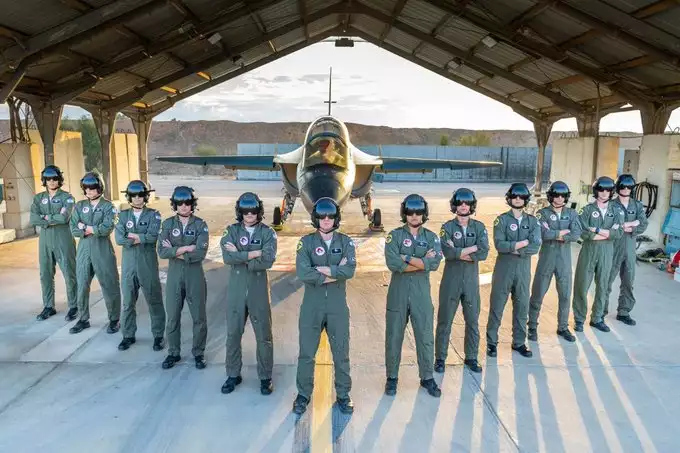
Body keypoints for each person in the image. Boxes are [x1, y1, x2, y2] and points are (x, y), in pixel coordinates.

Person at [292, 198, 356, 415]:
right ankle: (303, 395)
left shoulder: (346, 242)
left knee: (341, 353)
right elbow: (303, 273)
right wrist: (336, 271)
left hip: (338, 306)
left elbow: (350, 270)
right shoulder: (306, 242)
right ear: (316, 218)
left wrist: (321, 270)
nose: (326, 219)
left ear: (336, 218)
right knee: (306, 353)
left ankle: (344, 395)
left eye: (330, 215)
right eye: (322, 215)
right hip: (312, 306)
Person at [384, 194, 442, 397]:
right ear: (404, 213)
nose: (414, 215)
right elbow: (393, 264)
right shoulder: (394, 236)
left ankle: (427, 377)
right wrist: (421, 262)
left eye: (418, 212)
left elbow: (434, 264)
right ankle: (392, 378)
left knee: (425, 336)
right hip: (397, 294)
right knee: (394, 336)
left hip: (421, 294)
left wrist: (406, 257)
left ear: (424, 213)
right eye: (410, 212)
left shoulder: (432, 238)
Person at [220, 192, 277, 395]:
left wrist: (240, 255)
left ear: (258, 211)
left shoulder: (268, 233)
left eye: (253, 211)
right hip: (236, 290)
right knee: (233, 334)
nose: (249, 214)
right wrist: (254, 253)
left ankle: (265, 377)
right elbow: (228, 257)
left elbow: (268, 259)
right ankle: (233, 374)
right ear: (240, 212)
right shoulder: (231, 231)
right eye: (245, 211)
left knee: (264, 335)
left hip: (258, 289)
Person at [435, 188, 488, 374]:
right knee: (445, 320)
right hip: (451, 280)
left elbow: (484, 252)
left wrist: (458, 252)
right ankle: (440, 358)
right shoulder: (447, 227)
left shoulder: (479, 227)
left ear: (472, 205)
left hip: (471, 282)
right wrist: (471, 248)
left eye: (467, 202)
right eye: (460, 202)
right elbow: (447, 252)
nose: (464, 206)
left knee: (472, 320)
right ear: (454, 205)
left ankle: (471, 357)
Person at [486, 183, 541, 358]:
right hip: (504, 268)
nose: (518, 199)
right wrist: (522, 243)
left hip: (523, 270)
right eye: (515, 196)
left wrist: (514, 248)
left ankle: (519, 342)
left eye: (521, 196)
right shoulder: (501, 220)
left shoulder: (532, 221)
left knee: (522, 306)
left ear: (526, 199)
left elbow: (535, 246)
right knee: (497, 305)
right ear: (509, 198)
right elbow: (500, 245)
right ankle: (491, 343)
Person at [158, 186, 209, 369]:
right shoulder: (167, 224)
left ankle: (199, 353)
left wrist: (175, 251)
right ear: (175, 205)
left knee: (199, 317)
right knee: (172, 316)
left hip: (195, 274)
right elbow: (162, 251)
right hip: (174, 274)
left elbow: (200, 253)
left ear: (192, 204)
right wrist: (187, 248)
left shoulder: (201, 225)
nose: (184, 206)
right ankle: (173, 352)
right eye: (180, 203)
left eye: (187, 202)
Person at [114, 180, 166, 351]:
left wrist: (133, 236)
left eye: (141, 195)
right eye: (134, 195)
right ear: (129, 197)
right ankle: (128, 335)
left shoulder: (153, 215)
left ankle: (158, 336)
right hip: (129, 265)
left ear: (146, 196)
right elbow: (119, 239)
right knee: (128, 302)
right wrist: (141, 237)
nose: (137, 198)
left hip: (147, 264)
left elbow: (153, 236)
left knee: (154, 300)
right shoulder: (123, 215)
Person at [528, 181, 582, 343]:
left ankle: (563, 327)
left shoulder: (572, 213)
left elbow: (576, 234)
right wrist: (563, 232)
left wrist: (554, 233)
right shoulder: (542, 213)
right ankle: (532, 326)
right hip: (546, 259)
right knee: (538, 293)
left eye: (563, 196)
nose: (559, 198)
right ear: (551, 196)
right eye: (556, 195)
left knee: (565, 295)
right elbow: (541, 233)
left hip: (564, 261)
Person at [69, 172, 121, 334]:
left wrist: (85, 227)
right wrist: (91, 229)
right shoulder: (79, 206)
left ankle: (114, 319)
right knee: (82, 285)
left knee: (109, 284)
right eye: (86, 188)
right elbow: (73, 228)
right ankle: (83, 319)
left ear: (99, 188)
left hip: (102, 249)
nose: (89, 191)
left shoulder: (108, 206)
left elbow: (106, 228)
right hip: (84, 250)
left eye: (92, 188)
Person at [572, 176, 625, 333]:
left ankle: (597, 319)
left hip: (607, 252)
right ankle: (579, 319)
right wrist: (607, 234)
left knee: (603, 285)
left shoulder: (617, 211)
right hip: (588, 250)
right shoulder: (587, 210)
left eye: (608, 190)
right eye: (601, 189)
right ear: (596, 191)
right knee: (582, 285)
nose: (604, 193)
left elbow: (618, 233)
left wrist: (595, 230)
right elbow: (582, 232)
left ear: (611, 192)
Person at [29, 165, 78, 321]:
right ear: (44, 180)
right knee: (45, 273)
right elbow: (33, 219)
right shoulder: (38, 198)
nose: (51, 181)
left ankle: (74, 305)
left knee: (69, 272)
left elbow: (64, 218)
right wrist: (52, 218)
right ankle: (49, 306)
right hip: (45, 240)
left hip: (63, 239)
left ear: (59, 180)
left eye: (55, 178)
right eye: (48, 178)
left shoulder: (67, 198)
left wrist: (45, 218)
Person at [605, 174, 648, 326]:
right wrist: (631, 224)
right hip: (613, 248)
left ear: (632, 188)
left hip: (629, 249)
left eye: (629, 186)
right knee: (606, 281)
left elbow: (643, 224)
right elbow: (609, 225)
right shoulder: (610, 205)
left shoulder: (637, 205)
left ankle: (624, 312)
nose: (626, 189)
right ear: (618, 187)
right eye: (623, 186)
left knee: (628, 282)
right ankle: (600, 312)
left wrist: (625, 226)